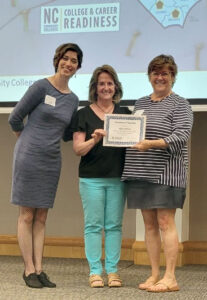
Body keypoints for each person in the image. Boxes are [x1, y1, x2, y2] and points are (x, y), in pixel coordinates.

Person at [8, 43, 83, 288]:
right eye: (65, 58)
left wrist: (94, 133)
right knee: (27, 214)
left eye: (74, 61)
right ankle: (28, 269)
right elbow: (14, 117)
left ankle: (40, 269)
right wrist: (27, 142)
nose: (68, 63)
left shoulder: (73, 99)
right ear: (57, 60)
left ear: (78, 67)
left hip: (52, 160)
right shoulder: (41, 86)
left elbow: (65, 133)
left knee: (42, 216)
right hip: (29, 156)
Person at [122, 54, 193, 293]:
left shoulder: (180, 103)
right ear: (149, 76)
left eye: (165, 73)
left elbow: (181, 135)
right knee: (149, 225)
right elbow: (131, 133)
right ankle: (154, 274)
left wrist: (150, 144)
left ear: (173, 77)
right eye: (155, 73)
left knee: (165, 222)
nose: (159, 77)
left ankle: (170, 277)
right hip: (140, 171)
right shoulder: (141, 103)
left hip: (166, 173)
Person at [72, 65, 131, 288]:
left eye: (109, 83)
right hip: (91, 179)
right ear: (95, 88)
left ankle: (114, 271)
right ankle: (95, 272)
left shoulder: (125, 114)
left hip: (118, 178)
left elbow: (132, 145)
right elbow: (78, 149)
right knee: (93, 226)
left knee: (114, 226)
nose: (105, 87)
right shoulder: (83, 114)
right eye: (101, 83)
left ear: (115, 86)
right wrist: (94, 139)